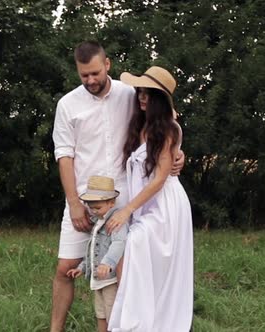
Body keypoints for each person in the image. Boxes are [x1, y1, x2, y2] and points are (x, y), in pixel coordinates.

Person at [50, 41, 185, 332]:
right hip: (83, 196)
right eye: (84, 75)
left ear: (107, 65)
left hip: (126, 196)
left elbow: (166, 123)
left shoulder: (130, 95)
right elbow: (64, 156)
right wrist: (73, 202)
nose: (90, 80)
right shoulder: (67, 105)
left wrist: (179, 155)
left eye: (95, 73)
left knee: (123, 269)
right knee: (65, 268)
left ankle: (121, 325)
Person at [106, 66, 194, 331]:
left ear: (159, 100)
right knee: (141, 257)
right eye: (140, 92)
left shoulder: (167, 129)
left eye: (148, 94)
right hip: (144, 205)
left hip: (165, 205)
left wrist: (126, 211)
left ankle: (145, 321)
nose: (142, 97)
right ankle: (141, 316)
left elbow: (159, 179)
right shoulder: (141, 126)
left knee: (134, 244)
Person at [65, 175, 128, 332]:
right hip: (98, 281)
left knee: (111, 314)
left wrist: (108, 263)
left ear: (111, 203)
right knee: (100, 314)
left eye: (97, 208)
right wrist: (82, 267)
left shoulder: (116, 220)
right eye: (91, 207)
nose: (93, 211)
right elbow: (93, 249)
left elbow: (119, 243)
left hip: (109, 280)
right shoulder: (98, 221)